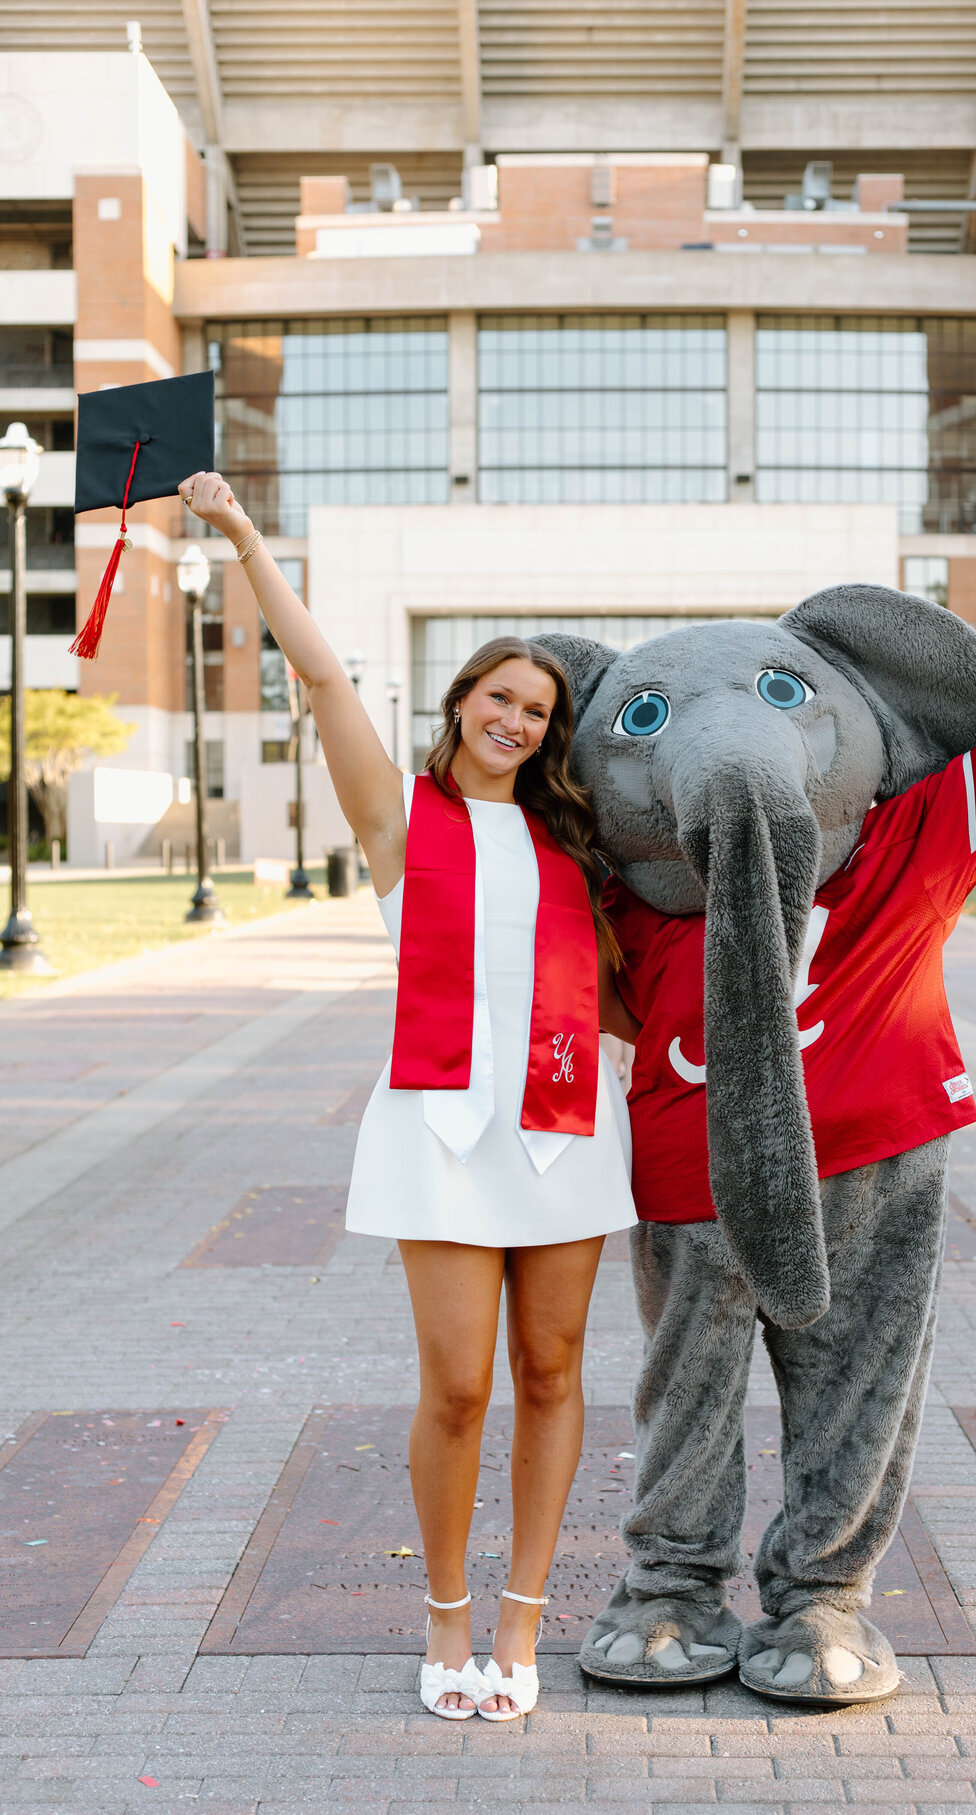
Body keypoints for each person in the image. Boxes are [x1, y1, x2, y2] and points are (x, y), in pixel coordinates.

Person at [179, 472, 639, 1723]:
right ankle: (444, 1619)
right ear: (462, 702)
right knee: (459, 1384)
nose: (520, 722)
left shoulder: (575, 846)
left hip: (563, 1129)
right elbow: (324, 679)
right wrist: (242, 540)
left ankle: (522, 1631)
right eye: (502, 698)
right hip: (441, 1126)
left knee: (552, 1369)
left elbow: (626, 990)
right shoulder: (402, 818)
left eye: (541, 713)